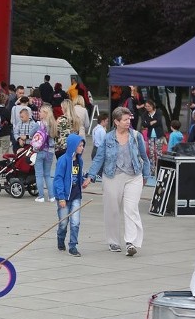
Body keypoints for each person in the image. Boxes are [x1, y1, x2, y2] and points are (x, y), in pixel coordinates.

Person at [83, 106, 151, 256]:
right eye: (125, 120)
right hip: (112, 176)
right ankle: (113, 241)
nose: (128, 122)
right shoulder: (108, 138)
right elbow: (99, 157)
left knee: (131, 209)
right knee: (112, 210)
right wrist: (90, 176)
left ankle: (130, 242)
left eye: (129, 119)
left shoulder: (136, 136)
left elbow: (144, 157)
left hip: (134, 177)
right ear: (116, 121)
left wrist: (146, 175)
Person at [53, 134, 86, 257]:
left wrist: (83, 181)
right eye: (80, 145)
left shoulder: (79, 160)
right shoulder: (63, 160)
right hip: (64, 197)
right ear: (73, 146)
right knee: (63, 222)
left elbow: (78, 176)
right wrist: (61, 197)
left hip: (76, 196)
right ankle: (60, 238)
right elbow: (58, 179)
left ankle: (73, 246)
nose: (82, 148)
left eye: (83, 145)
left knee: (75, 222)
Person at [30, 104, 57, 203]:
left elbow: (31, 134)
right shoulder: (53, 124)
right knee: (47, 175)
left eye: (41, 111)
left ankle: (41, 196)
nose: (39, 113)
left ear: (45, 113)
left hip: (40, 150)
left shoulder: (38, 124)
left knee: (39, 175)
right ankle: (51, 196)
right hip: (50, 151)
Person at [142, 100, 165, 173]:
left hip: (159, 134)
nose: (147, 108)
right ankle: (152, 169)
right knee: (151, 153)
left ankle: (160, 168)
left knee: (159, 152)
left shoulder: (158, 112)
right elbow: (144, 124)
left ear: (152, 106)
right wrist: (151, 122)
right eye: (146, 106)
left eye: (149, 106)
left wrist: (149, 123)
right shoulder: (145, 114)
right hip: (150, 135)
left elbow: (158, 122)